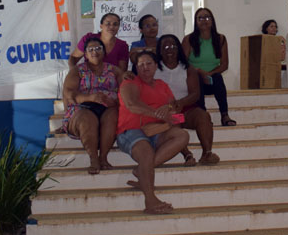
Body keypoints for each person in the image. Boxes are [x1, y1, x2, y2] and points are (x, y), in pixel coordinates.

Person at [116, 51, 189, 215]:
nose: (145, 67)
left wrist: (168, 109)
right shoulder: (130, 82)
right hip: (131, 130)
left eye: (149, 63)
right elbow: (132, 104)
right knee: (146, 152)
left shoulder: (162, 85)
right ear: (135, 67)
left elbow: (174, 108)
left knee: (182, 135)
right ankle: (150, 200)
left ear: (156, 66)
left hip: (156, 130)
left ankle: (142, 170)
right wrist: (157, 113)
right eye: (140, 64)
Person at [61, 38, 125, 174]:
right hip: (82, 108)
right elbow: (69, 93)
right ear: (85, 54)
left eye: (98, 48)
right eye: (90, 49)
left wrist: (116, 102)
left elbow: (126, 92)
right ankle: (93, 158)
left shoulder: (114, 70)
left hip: (109, 107)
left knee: (114, 115)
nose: (94, 52)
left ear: (104, 52)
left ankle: (103, 157)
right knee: (87, 119)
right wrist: (90, 98)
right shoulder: (77, 71)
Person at [156, 34, 220, 166]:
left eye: (174, 46)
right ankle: (187, 155)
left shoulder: (187, 68)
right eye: (166, 46)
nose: (170, 49)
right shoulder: (154, 68)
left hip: (186, 109)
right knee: (172, 121)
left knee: (203, 116)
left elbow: (195, 93)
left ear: (179, 49)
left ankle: (207, 153)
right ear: (160, 50)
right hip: (165, 112)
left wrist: (181, 103)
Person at [182, 7, 237, 127]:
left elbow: (224, 65)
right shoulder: (189, 39)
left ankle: (224, 115)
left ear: (212, 20)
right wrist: (199, 72)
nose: (204, 20)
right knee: (197, 79)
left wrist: (208, 74)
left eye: (207, 17)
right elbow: (183, 63)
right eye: (200, 18)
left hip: (212, 79)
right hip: (194, 80)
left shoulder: (220, 39)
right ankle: (203, 115)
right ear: (196, 22)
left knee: (218, 78)